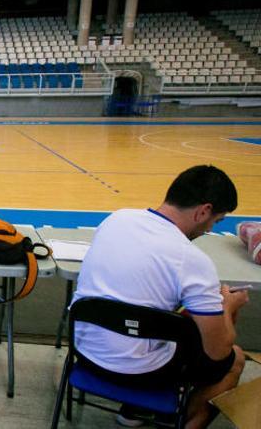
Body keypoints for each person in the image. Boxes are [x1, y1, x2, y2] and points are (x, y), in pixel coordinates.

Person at [71, 165, 247, 428]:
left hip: (84, 354)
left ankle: (133, 410)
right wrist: (228, 306)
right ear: (203, 211)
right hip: (139, 372)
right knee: (235, 358)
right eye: (216, 221)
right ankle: (182, 420)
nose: (210, 228)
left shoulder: (116, 219)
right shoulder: (193, 261)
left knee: (153, 317)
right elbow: (218, 352)